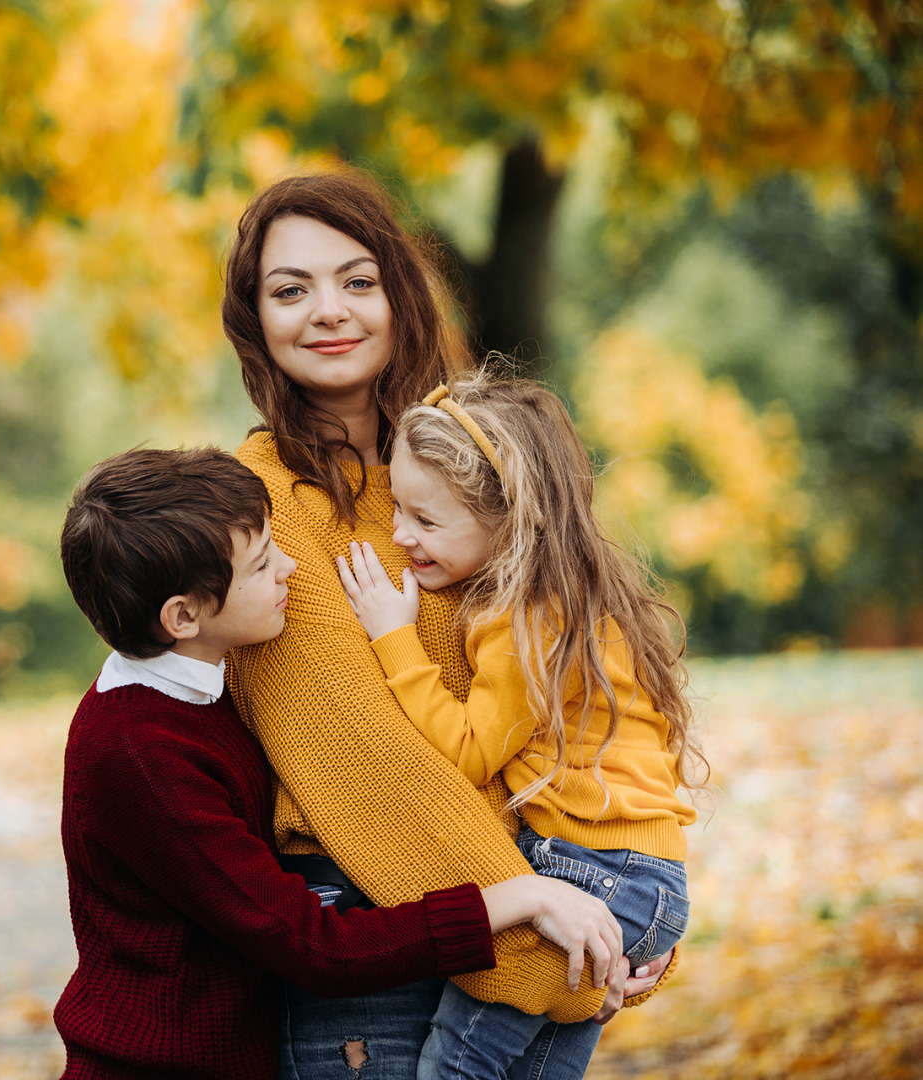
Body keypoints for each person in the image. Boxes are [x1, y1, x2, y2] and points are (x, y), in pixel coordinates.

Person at [218, 171, 677, 1080]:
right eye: (289, 289)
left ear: (399, 292)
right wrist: (553, 931)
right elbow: (359, 759)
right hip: (380, 938)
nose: (327, 311)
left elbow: (587, 709)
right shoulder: (260, 504)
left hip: (529, 909)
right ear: (254, 320)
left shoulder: (468, 465)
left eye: (357, 280)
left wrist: (625, 915)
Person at [54, 447, 627, 1080]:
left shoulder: (200, 695)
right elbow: (316, 949)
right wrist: (517, 897)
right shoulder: (141, 754)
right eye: (262, 564)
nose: (290, 569)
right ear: (183, 616)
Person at [336, 372, 704, 1079]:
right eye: (399, 509)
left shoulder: (522, 616)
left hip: (593, 868)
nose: (399, 533)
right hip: (646, 875)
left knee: (457, 1066)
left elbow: (471, 751)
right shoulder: (573, 591)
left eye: (426, 520)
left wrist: (394, 638)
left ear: (509, 518)